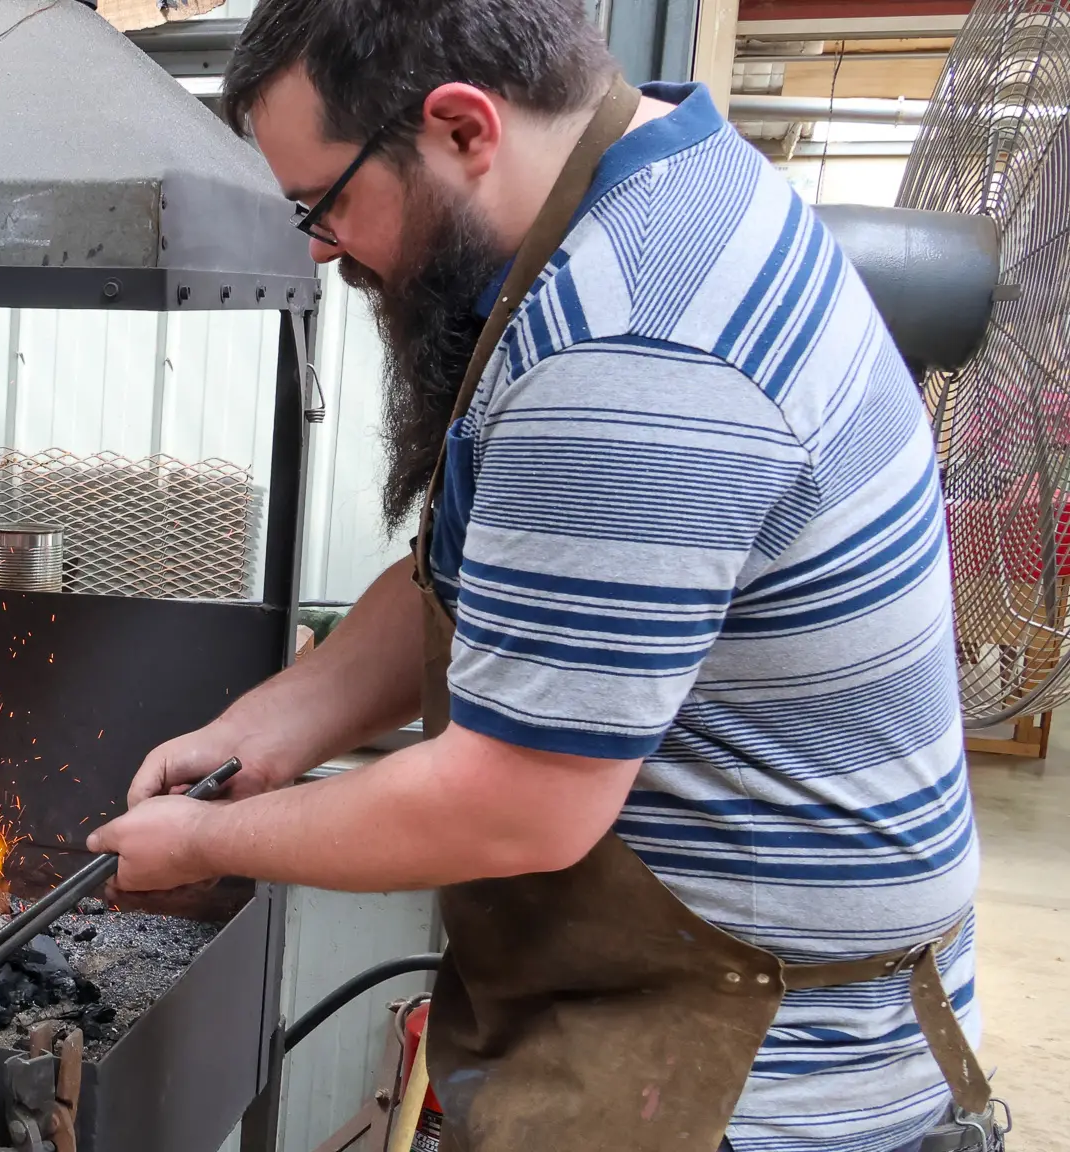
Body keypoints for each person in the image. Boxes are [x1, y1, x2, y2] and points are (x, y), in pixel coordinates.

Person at [88, 2, 987, 1150]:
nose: (316, 245)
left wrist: (208, 842)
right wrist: (266, 731)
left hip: (751, 1084)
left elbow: (517, 801)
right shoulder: (651, 184)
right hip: (676, 1012)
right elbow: (466, 574)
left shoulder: (630, 349)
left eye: (324, 201)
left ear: (463, 126)